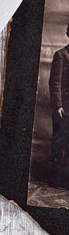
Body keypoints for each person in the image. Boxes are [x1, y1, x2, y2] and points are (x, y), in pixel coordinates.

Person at [49, 23, 69, 162]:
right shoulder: (61, 55)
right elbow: (55, 82)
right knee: (60, 138)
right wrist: (57, 106)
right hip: (64, 106)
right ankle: (56, 174)